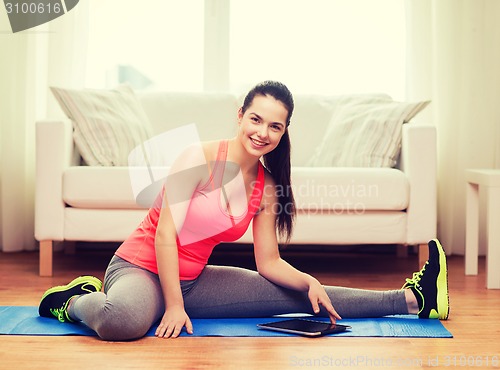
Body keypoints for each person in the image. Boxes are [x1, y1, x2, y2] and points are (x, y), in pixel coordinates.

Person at [38, 81, 449, 341]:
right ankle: (74, 300)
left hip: (194, 281)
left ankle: (413, 299)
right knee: (122, 323)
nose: (262, 132)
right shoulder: (196, 157)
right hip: (139, 268)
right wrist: (174, 306)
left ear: (284, 131)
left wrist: (307, 280)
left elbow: (268, 261)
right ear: (240, 115)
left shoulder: (267, 186)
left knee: (303, 295)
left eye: (275, 126)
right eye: (256, 119)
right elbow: (165, 235)